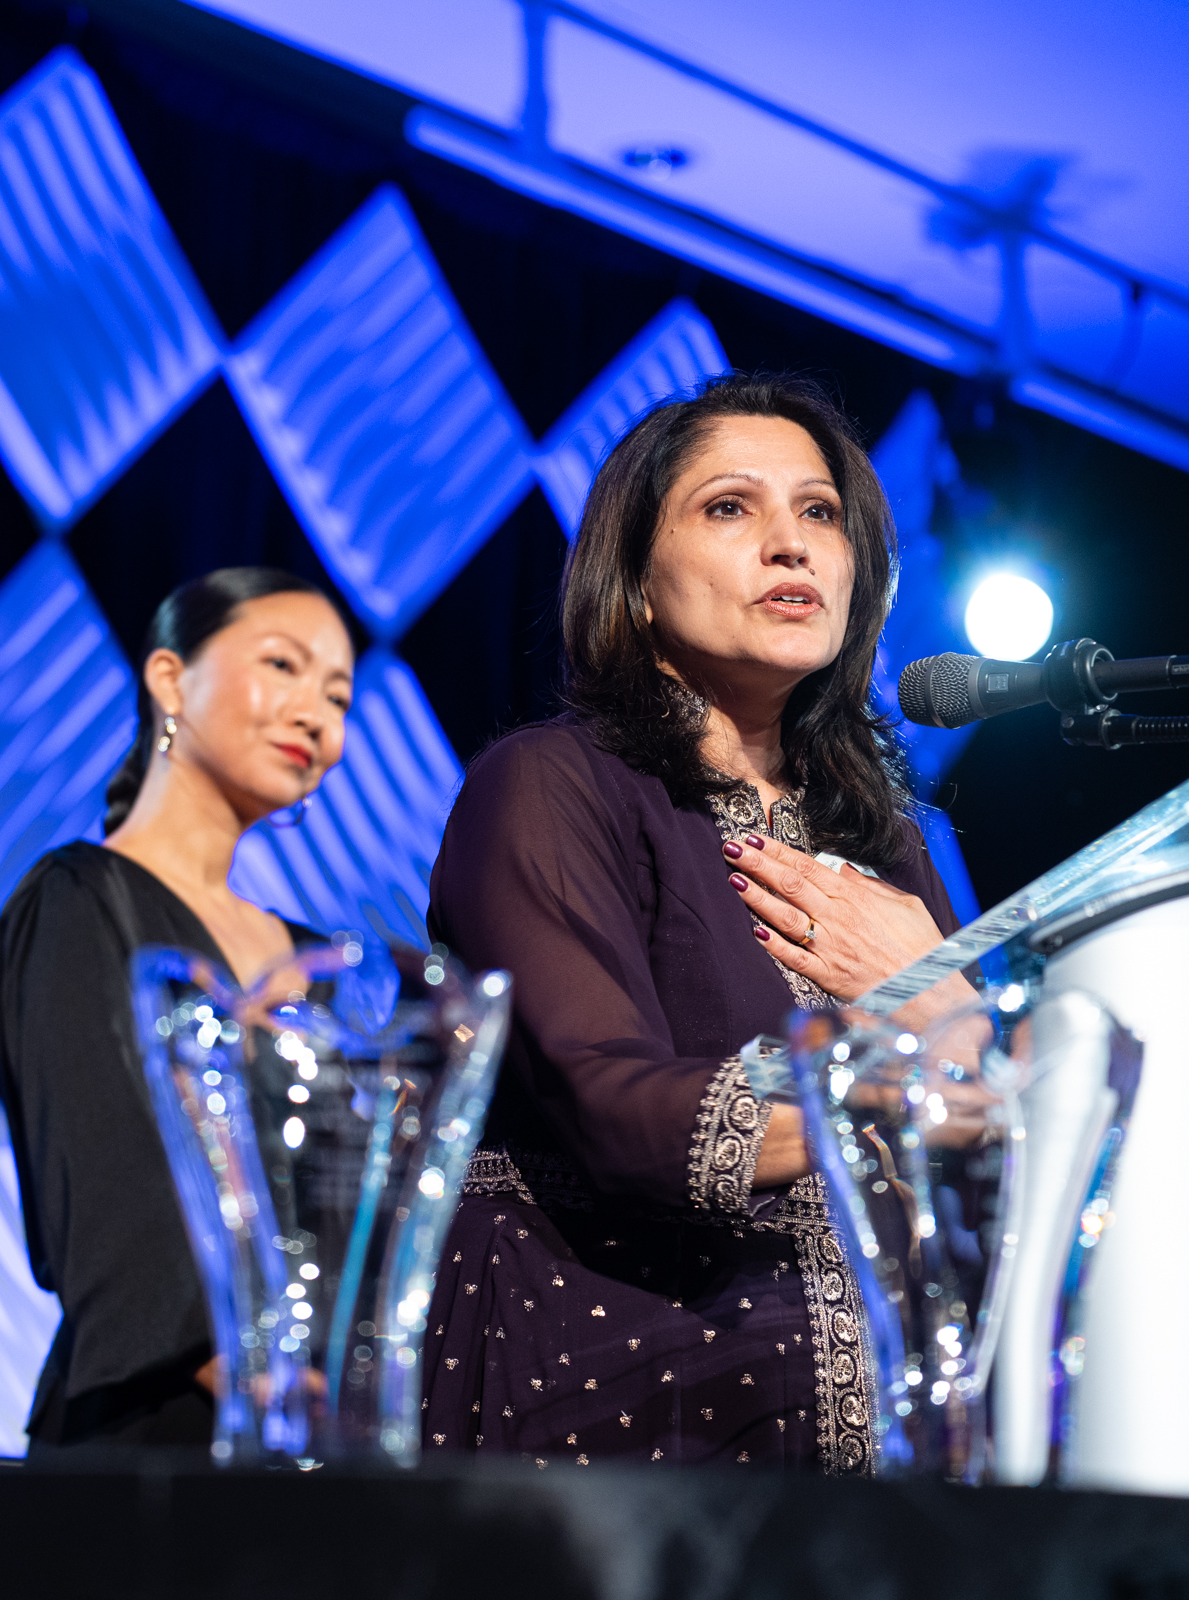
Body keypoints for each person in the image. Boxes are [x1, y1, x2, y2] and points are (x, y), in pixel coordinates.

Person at [418, 373, 971, 1473]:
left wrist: (971, 1032)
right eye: (731, 507)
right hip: (615, 1435)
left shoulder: (889, 844)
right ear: (632, 576)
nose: (790, 545)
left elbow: (972, 1122)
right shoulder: (553, 785)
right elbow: (613, 1106)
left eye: (819, 513)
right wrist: (910, 1072)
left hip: (876, 1474)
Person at [0, 568, 355, 1450]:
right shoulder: (79, 898)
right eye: (283, 665)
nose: (315, 713)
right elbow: (104, 1176)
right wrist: (254, 1376)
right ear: (169, 679)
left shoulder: (319, 957)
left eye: (338, 696)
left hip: (317, 1426)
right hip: (156, 1426)